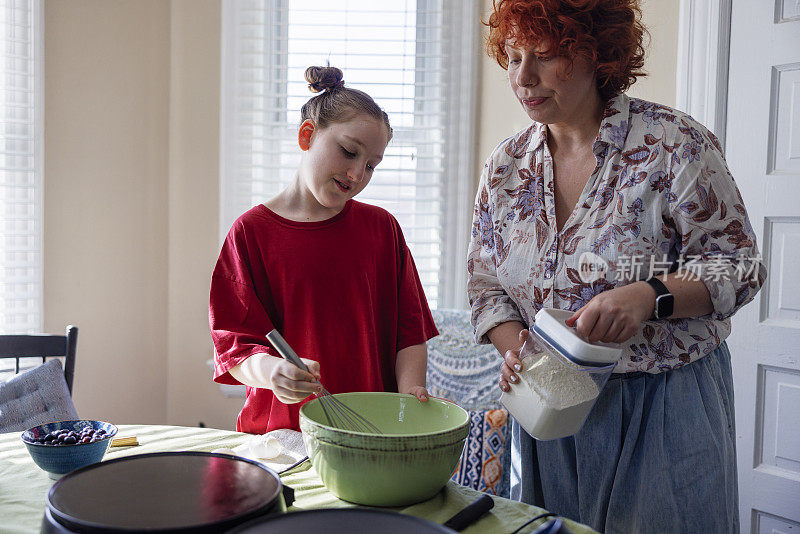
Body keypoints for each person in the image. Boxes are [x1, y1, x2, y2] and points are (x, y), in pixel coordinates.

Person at [467, 1, 765, 532]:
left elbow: (739, 266)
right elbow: (486, 283)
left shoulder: (673, 146)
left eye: (543, 56)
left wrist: (651, 295)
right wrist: (518, 353)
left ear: (596, 54)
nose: (522, 77)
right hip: (547, 407)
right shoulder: (504, 168)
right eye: (512, 58)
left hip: (664, 406)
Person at [210, 66, 437, 434]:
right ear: (307, 135)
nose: (357, 173)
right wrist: (273, 372)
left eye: (370, 165)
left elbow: (409, 334)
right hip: (283, 436)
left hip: (370, 431)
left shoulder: (383, 230)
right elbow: (235, 347)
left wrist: (410, 396)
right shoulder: (250, 233)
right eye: (348, 152)